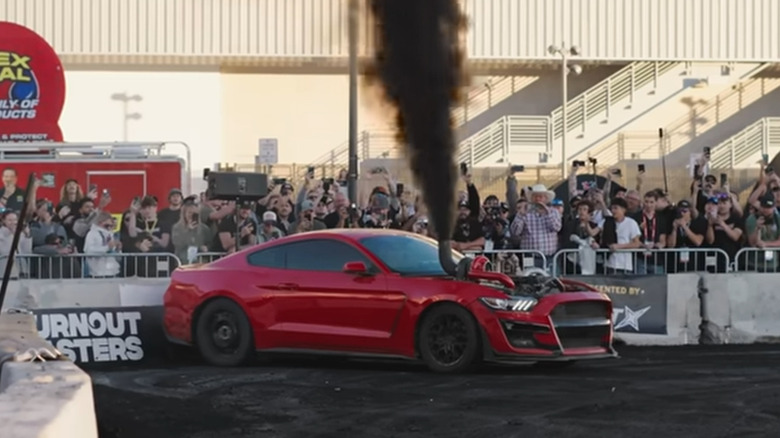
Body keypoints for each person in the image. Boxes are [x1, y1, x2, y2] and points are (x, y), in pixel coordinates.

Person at [509, 184, 561, 270]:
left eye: (541, 197)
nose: (538, 199)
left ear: (546, 199)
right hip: (530, 256)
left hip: (549, 257)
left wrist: (547, 213)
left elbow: (557, 227)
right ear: (531, 199)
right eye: (535, 196)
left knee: (551, 281)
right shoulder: (525, 213)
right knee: (529, 280)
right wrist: (521, 215)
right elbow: (515, 232)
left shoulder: (553, 212)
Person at [599, 197, 642, 274]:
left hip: (625, 265)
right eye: (612, 208)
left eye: (616, 208)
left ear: (623, 210)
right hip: (609, 264)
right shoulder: (607, 222)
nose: (613, 211)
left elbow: (637, 243)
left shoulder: (631, 223)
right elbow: (595, 232)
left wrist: (619, 246)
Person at [171, 199, 212, 264]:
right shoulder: (177, 227)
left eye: (194, 213)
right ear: (184, 214)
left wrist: (206, 247)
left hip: (200, 261)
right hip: (183, 261)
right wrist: (188, 230)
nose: (191, 215)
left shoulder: (204, 228)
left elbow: (210, 242)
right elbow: (177, 243)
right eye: (189, 212)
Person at [83, 211, 122, 277]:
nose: (109, 227)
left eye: (111, 225)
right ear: (100, 222)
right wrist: (107, 248)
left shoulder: (110, 234)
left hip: (113, 271)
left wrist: (118, 249)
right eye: (107, 225)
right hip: (97, 272)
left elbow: (113, 253)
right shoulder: (92, 234)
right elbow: (88, 251)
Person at [0, 210, 33, 278]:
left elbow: (27, 251)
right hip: (6, 270)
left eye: (15, 220)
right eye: (10, 220)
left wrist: (27, 235)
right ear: (3, 221)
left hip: (21, 269)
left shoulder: (21, 234)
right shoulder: (1, 234)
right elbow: (4, 251)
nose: (13, 222)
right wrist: (11, 234)